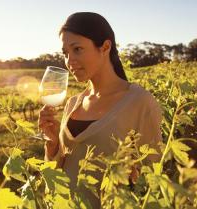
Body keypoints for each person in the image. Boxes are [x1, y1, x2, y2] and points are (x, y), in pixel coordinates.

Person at [38, 12, 162, 207]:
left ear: (105, 47)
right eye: (65, 53)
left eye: (77, 49)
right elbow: (59, 170)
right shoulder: (73, 103)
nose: (69, 61)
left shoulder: (140, 102)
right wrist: (52, 145)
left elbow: (152, 179)